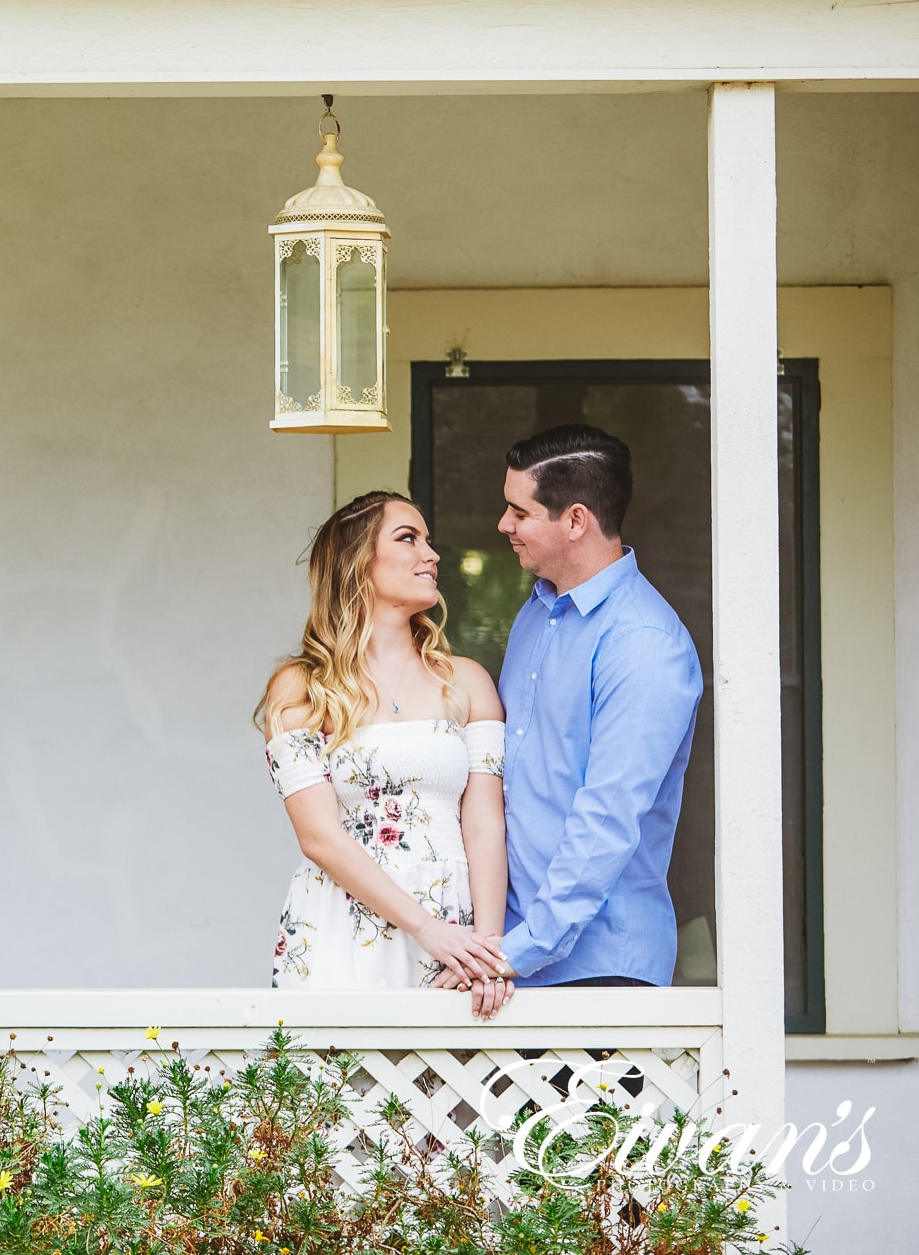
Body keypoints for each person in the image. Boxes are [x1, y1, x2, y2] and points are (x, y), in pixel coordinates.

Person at [459, 424, 703, 990]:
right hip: (509, 960)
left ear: (575, 519)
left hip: (596, 970)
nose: (503, 525)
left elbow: (606, 819)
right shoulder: (535, 616)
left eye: (519, 512)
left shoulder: (643, 643)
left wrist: (518, 951)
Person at [258, 490, 514, 1017]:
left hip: (455, 926)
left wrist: (486, 946)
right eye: (408, 538)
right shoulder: (303, 688)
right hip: (342, 921)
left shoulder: (466, 681)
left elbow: (486, 821)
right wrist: (424, 928)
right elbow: (318, 836)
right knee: (327, 1096)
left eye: (428, 539)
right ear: (358, 562)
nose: (432, 554)